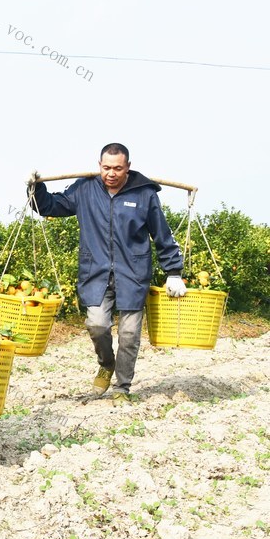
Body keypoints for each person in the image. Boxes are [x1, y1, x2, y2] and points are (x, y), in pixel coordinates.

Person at [27, 143, 186, 406]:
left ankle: (122, 387)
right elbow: (50, 206)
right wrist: (36, 188)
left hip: (133, 275)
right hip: (96, 273)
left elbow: (162, 234)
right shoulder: (85, 189)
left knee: (129, 335)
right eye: (106, 167)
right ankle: (106, 364)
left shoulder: (144, 194)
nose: (111, 173)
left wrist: (174, 271)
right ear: (99, 165)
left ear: (128, 167)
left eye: (118, 168)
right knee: (97, 325)